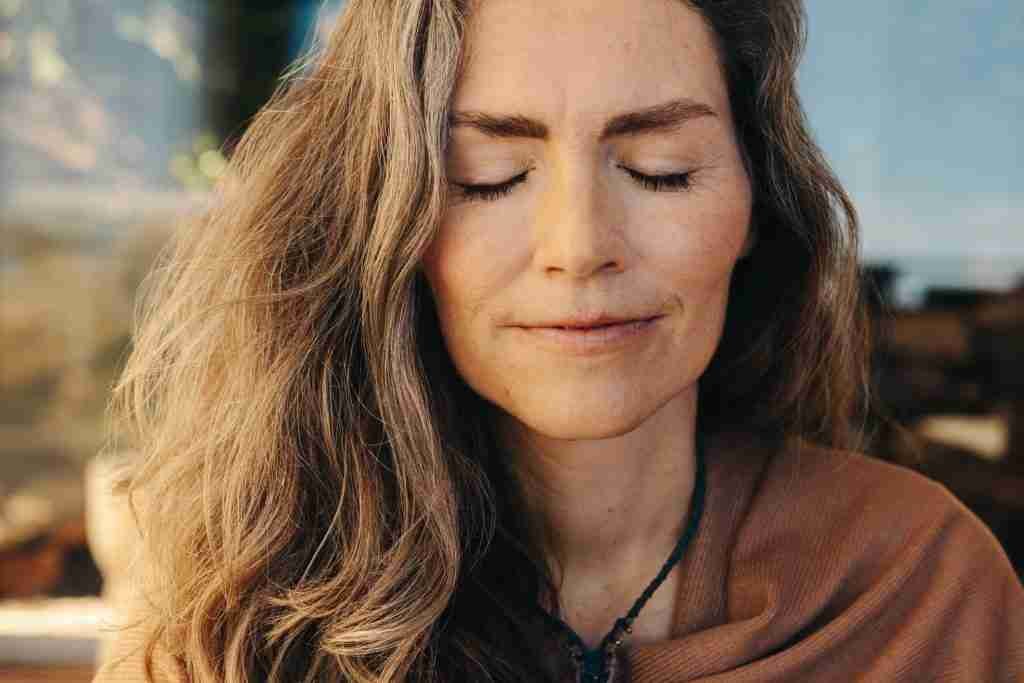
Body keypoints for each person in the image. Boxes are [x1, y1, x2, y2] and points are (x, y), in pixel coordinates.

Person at [92, 0, 1024, 681]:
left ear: (755, 205)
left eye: (661, 172)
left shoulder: (918, 584)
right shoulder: (230, 622)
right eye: (489, 175)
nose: (579, 248)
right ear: (389, 224)